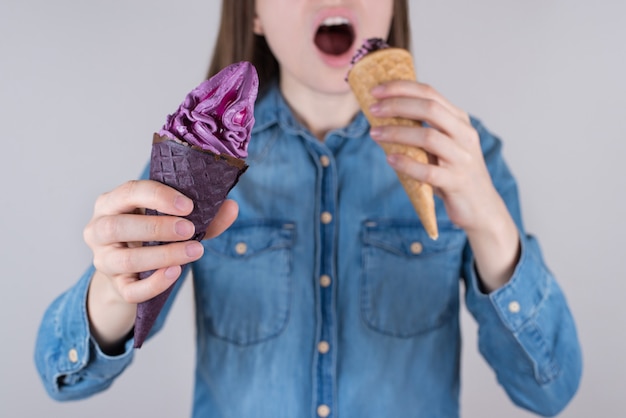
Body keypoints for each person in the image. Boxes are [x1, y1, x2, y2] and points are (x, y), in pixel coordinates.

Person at [34, 1, 582, 417]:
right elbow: (66, 378)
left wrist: (489, 222)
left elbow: (549, 389)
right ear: (252, 14)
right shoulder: (204, 155)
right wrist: (111, 287)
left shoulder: (464, 156)